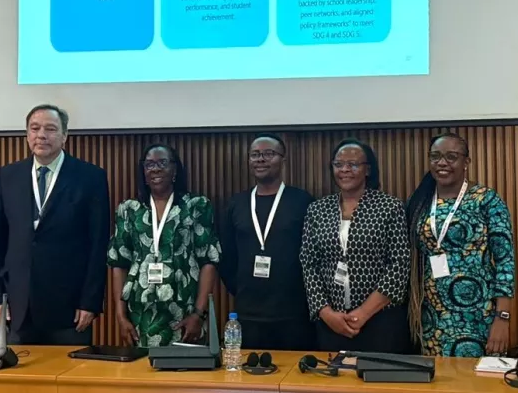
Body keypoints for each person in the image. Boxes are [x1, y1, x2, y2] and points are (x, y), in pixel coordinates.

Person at [0, 104, 110, 345]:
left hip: (69, 310)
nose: (41, 135)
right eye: (35, 128)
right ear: (27, 134)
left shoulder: (90, 177)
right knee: (19, 380)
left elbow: (98, 244)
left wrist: (89, 301)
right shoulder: (8, 176)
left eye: (50, 129)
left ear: (64, 136)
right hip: (18, 308)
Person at [404, 133, 517, 357]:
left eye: (451, 157)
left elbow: (505, 261)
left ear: (466, 162)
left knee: (477, 385)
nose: (442, 163)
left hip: (478, 315)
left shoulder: (486, 199)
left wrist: (502, 318)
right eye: (435, 157)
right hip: (432, 315)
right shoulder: (421, 202)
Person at [300, 138, 410, 353]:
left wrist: (363, 313)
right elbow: (308, 264)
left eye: (353, 164)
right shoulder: (317, 209)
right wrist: (326, 313)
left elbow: (399, 264)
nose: (345, 170)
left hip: (380, 320)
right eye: (338, 164)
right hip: (331, 322)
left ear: (367, 170)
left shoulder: (389, 207)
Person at [108, 144, 220, 347]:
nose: (155, 169)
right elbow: (119, 262)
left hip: (185, 312)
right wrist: (120, 315)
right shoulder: (129, 209)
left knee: (186, 375)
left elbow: (209, 260)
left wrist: (199, 313)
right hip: (139, 314)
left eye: (162, 163)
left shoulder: (196, 206)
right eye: (149, 164)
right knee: (141, 374)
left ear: (175, 170)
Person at [219, 134, 316, 350]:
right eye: (255, 155)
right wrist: (244, 288)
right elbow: (227, 256)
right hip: (248, 313)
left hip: (294, 313)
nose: (260, 159)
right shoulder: (237, 203)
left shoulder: (302, 200)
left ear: (283, 160)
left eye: (268, 154)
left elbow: (314, 255)